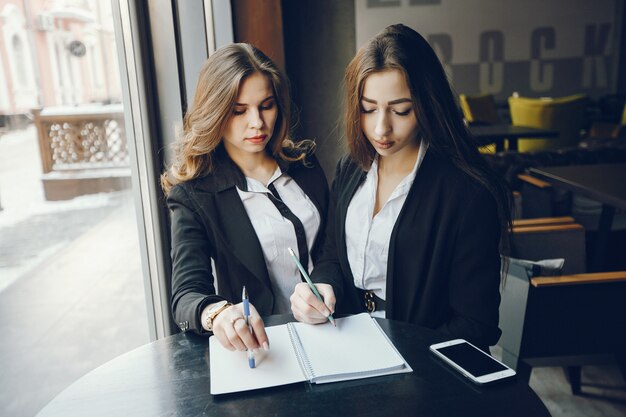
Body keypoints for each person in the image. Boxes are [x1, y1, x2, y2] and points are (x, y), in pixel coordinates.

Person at [290, 24, 512, 350]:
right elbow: (332, 255)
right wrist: (320, 287)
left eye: (401, 110)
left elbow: (475, 324)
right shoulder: (351, 168)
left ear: (427, 104)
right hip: (346, 348)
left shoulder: (468, 193)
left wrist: (403, 355)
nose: (381, 128)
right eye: (368, 109)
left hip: (423, 367)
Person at [162, 43, 328, 352]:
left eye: (266, 105)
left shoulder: (304, 163)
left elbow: (332, 247)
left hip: (332, 330)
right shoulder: (195, 195)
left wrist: (329, 285)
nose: (257, 122)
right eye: (239, 111)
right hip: (265, 346)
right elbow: (186, 296)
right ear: (215, 112)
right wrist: (219, 313)